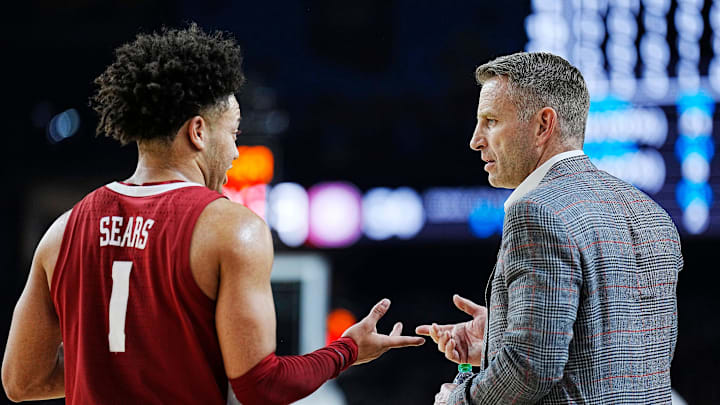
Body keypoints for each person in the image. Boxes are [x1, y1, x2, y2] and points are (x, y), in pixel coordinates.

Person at [1, 24, 424, 404]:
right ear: (199, 131)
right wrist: (348, 350)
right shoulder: (232, 228)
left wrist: (115, 372)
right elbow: (263, 387)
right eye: (234, 132)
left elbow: (21, 382)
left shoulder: (63, 230)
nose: (238, 151)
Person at [417, 52, 682, 404]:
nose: (476, 140)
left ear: (543, 125)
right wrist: (502, 335)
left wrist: (457, 400)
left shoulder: (537, 211)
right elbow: (614, 355)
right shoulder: (651, 212)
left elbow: (530, 369)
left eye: (491, 121)